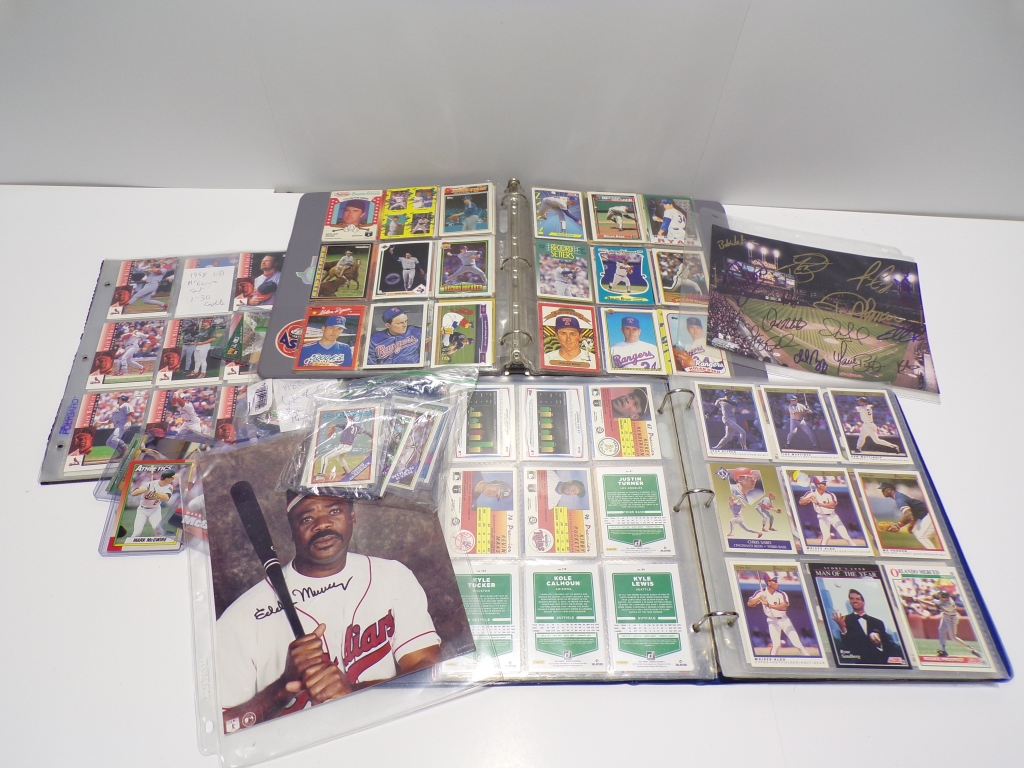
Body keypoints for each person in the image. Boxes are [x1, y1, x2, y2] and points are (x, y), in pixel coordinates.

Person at [217, 493, 441, 728]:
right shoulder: (242, 617)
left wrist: (354, 692)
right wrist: (282, 688)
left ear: (352, 516)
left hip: (386, 732)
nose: (322, 524)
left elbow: (428, 668)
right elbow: (223, 726)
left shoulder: (393, 576)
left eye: (334, 511)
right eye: (307, 518)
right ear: (291, 530)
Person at [831, 589, 904, 664]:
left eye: (857, 599)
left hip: (878, 662)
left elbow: (887, 644)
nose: (854, 601)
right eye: (852, 599)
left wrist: (879, 644)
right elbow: (846, 645)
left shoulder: (877, 622)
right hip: (858, 664)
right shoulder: (845, 620)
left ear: (863, 602)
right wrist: (843, 628)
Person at [747, 575, 811, 656]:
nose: (777, 583)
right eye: (775, 581)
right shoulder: (760, 593)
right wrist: (759, 599)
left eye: (777, 581)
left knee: (797, 644)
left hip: (784, 620)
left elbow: (784, 607)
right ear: (769, 583)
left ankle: (810, 658)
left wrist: (769, 605)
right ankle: (772, 661)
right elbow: (749, 603)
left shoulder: (781, 594)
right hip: (772, 621)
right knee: (776, 645)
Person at [920, 589, 982, 659]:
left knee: (953, 637)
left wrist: (920, 600)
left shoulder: (947, 604)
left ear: (947, 598)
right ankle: (942, 650)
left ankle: (971, 650)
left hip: (951, 618)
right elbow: (933, 596)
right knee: (941, 630)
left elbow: (932, 605)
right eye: (942, 597)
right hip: (946, 615)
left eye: (943, 597)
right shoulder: (943, 596)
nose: (942, 598)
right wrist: (924, 598)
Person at [878, 481, 939, 549]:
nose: (882, 491)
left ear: (889, 490)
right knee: (917, 533)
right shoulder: (899, 496)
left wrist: (898, 525)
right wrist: (912, 524)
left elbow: (908, 515)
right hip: (930, 513)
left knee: (922, 536)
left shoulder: (899, 499)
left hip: (932, 514)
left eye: (883, 490)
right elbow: (914, 511)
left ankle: (936, 554)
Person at [799, 477, 854, 546]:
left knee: (845, 536)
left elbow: (832, 505)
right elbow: (801, 502)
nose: (826, 485)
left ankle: (856, 547)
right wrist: (810, 498)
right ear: (818, 485)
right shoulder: (811, 493)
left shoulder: (830, 494)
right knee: (826, 536)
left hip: (833, 516)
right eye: (824, 484)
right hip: (822, 517)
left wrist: (819, 503)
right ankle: (822, 550)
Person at [129, 469, 175, 540]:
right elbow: (133, 493)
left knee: (158, 530)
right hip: (142, 510)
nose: (173, 479)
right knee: (137, 532)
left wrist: (156, 492)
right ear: (167, 478)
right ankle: (129, 545)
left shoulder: (169, 486)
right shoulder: (149, 484)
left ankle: (161, 545)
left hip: (155, 510)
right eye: (172, 477)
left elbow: (166, 498)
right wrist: (145, 489)